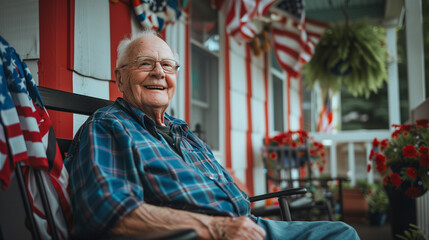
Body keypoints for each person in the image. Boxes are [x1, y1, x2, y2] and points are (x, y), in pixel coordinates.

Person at [64, 30, 359, 240]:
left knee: (339, 232)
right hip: (195, 233)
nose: (158, 73)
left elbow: (233, 194)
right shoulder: (108, 126)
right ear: (120, 78)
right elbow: (104, 210)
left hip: (246, 227)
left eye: (167, 65)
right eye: (145, 64)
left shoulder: (183, 131)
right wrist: (215, 227)